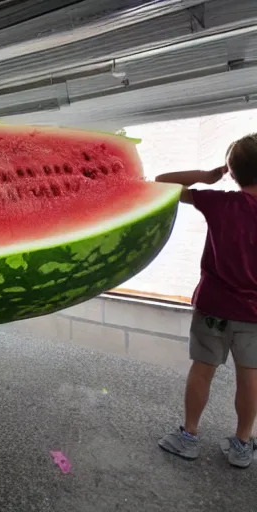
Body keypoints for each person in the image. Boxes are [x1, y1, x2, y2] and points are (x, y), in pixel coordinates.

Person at [155, 133, 257, 469]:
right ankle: (243, 444)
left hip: (213, 306)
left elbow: (162, 184)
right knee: (250, 375)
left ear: (231, 171)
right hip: (254, 315)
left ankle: (189, 437)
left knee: (202, 370)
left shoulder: (219, 203)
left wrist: (204, 175)